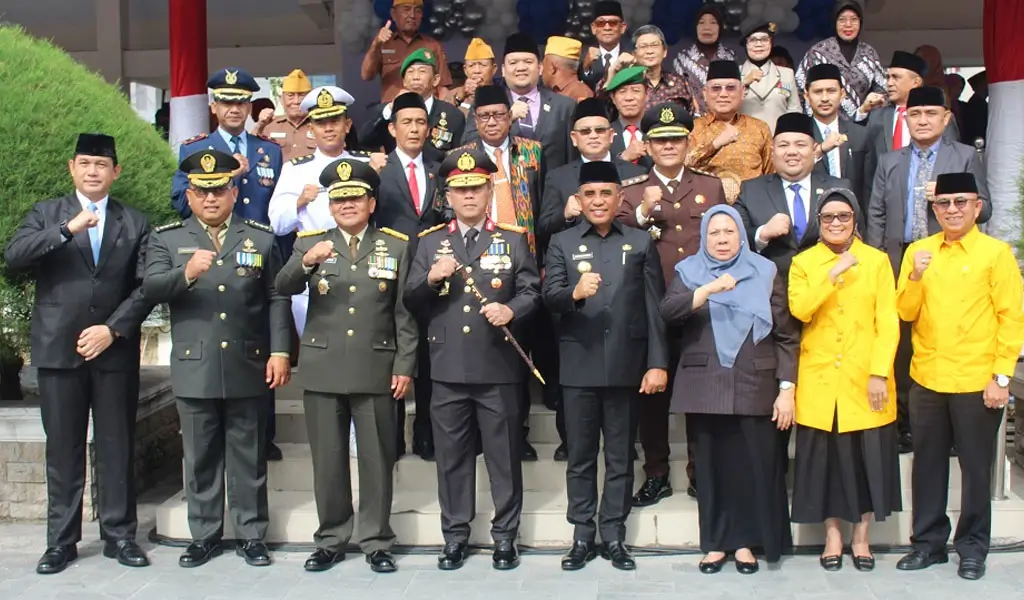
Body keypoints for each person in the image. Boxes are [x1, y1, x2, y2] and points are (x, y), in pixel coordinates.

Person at [5, 133, 153, 574]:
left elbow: (146, 286)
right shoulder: (48, 213)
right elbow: (14, 257)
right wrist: (68, 229)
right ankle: (60, 541)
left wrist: (112, 329)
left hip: (113, 351)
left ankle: (120, 536)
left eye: (101, 165)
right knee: (63, 448)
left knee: (116, 445)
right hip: (58, 350)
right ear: (72, 168)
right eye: (85, 163)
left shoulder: (134, 221)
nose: (93, 171)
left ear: (115, 172)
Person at [143, 150, 291, 568]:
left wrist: (280, 350)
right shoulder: (167, 238)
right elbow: (151, 288)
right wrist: (186, 273)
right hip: (196, 363)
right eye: (202, 191)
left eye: (220, 189)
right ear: (189, 196)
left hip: (248, 360)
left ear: (234, 190)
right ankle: (204, 534)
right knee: (201, 454)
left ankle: (250, 534)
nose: (211, 198)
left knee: (248, 453)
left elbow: (277, 296)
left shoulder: (259, 237)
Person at [275, 158, 417, 573]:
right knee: (329, 460)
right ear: (330, 205)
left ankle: (376, 539)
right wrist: (305, 262)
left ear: (371, 203)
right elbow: (281, 287)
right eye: (339, 200)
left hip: (376, 365)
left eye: (355, 198)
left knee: (376, 458)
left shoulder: (395, 245)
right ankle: (331, 538)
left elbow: (404, 313)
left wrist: (405, 364)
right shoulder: (311, 242)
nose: (347, 206)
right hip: (323, 366)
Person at [404, 149, 541, 571]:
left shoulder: (513, 239)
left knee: (503, 457)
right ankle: (456, 535)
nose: (468, 196)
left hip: (496, 365)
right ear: (447, 195)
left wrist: (511, 311)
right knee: (453, 458)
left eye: (476, 188)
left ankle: (505, 537)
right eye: (460, 190)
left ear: (488, 191)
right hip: (446, 368)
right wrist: (431, 278)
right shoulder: (430, 243)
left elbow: (532, 291)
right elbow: (410, 299)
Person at [893, 172, 1024, 581]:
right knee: (928, 466)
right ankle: (928, 544)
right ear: (934, 209)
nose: (952, 209)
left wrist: (1001, 378)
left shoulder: (995, 253)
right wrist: (914, 275)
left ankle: (972, 547)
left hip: (976, 380)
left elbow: (1011, 318)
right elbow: (905, 312)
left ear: (977, 206)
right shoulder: (919, 250)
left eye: (961, 202)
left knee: (975, 468)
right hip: (928, 378)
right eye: (944, 203)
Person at [544, 160, 669, 572]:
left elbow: (654, 307)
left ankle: (613, 534)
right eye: (590, 195)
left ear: (620, 198)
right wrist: (574, 294)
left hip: (625, 366)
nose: (598, 201)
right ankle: (582, 534)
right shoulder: (561, 242)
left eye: (605, 194)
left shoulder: (639, 241)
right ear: (578, 200)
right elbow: (550, 297)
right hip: (578, 365)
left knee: (620, 457)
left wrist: (657, 362)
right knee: (580, 457)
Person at [663, 204, 797, 574]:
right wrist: (707, 289)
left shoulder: (765, 270)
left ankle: (745, 544)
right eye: (714, 234)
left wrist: (787, 387)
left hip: (756, 383)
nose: (722, 240)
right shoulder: (689, 271)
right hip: (705, 383)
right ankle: (715, 544)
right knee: (709, 467)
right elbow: (669, 313)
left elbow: (786, 335)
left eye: (729, 232)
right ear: (704, 237)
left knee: (752, 465)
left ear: (741, 235)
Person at [865, 86, 991, 452]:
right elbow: (876, 213)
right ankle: (906, 425)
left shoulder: (964, 156)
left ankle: (949, 428)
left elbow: (989, 207)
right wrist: (879, 263)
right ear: (905, 118)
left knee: (944, 333)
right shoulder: (890, 160)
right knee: (900, 342)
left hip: (947, 256)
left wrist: (951, 196)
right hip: (900, 256)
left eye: (930, 114)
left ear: (946, 118)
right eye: (915, 115)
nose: (922, 121)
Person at [617, 102, 727, 504]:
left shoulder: (710, 187)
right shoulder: (630, 192)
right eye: (660, 141)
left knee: (700, 393)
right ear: (647, 145)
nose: (668, 147)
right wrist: (646, 211)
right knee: (652, 396)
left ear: (687, 142)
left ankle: (700, 471)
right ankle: (657, 472)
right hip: (654, 306)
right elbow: (621, 237)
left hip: (700, 307)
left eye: (676, 139)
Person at [788, 188, 902, 573]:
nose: (836, 223)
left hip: (865, 378)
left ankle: (860, 537)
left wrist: (878, 373)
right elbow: (799, 309)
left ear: (855, 220)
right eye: (828, 217)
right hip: (820, 381)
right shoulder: (804, 262)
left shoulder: (877, 261)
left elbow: (888, 322)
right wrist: (832, 273)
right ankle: (833, 535)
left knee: (866, 460)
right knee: (826, 464)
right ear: (818, 223)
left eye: (844, 216)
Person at [534, 98, 645, 459]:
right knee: (571, 363)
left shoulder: (631, 170)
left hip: (623, 277)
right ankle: (571, 438)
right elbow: (542, 227)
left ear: (612, 135)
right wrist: (566, 214)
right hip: (573, 281)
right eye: (586, 131)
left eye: (600, 130)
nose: (594, 136)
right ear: (574, 137)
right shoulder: (559, 175)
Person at [450, 85, 546, 460]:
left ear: (512, 116)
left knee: (516, 353)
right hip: (473, 268)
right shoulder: (461, 157)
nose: (492, 122)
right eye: (485, 116)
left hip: (521, 264)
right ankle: (474, 435)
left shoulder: (533, 152)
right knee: (476, 352)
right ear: (475, 121)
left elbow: (542, 206)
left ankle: (515, 433)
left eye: (499, 114)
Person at [373, 92, 447, 460]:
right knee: (393, 357)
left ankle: (427, 436)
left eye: (421, 122)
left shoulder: (442, 165)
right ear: (392, 128)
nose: (415, 129)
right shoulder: (377, 169)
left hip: (433, 277)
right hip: (389, 274)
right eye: (407, 122)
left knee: (431, 360)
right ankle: (392, 439)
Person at [734, 112, 850, 277]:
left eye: (800, 144)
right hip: (771, 290)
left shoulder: (837, 188)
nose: (792, 151)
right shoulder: (751, 190)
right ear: (772, 151)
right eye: (783, 145)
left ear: (814, 149)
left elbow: (855, 239)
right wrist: (762, 234)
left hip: (828, 284)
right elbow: (735, 240)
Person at [172, 68, 284, 226]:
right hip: (215, 244)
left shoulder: (271, 150)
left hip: (262, 244)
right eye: (227, 103)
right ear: (213, 107)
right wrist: (226, 176)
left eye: (241, 103)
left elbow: (281, 205)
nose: (235, 110)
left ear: (249, 108)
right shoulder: (194, 149)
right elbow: (182, 204)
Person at [462, 33, 576, 171]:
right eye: (513, 63)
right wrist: (507, 119)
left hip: (551, 189)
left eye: (528, 62)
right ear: (503, 70)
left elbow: (573, 159)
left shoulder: (564, 106)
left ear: (540, 68)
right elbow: (467, 145)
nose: (521, 68)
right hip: (504, 186)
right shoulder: (486, 103)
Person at [686, 60, 774, 202]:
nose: (723, 94)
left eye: (730, 88)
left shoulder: (759, 128)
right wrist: (715, 144)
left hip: (752, 207)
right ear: (704, 93)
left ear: (743, 92)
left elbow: (772, 176)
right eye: (716, 88)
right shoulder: (693, 128)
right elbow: (682, 167)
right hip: (703, 208)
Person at [359, 48, 466, 164]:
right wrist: (391, 108)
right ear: (404, 82)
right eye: (410, 72)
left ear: (435, 80)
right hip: (397, 179)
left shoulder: (452, 115)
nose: (416, 77)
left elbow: (459, 158)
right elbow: (364, 140)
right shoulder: (387, 111)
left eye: (422, 71)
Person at [794, 0, 886, 121]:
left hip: (863, 127)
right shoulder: (818, 52)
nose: (848, 25)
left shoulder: (869, 53)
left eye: (854, 19)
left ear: (860, 22)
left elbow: (883, 90)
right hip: (824, 127)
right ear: (834, 22)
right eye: (842, 20)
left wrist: (872, 106)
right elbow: (799, 90)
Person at [803, 64, 872, 222]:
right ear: (807, 96)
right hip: (811, 221)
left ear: (842, 94)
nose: (825, 98)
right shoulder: (800, 135)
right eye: (818, 92)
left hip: (853, 220)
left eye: (831, 91)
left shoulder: (860, 134)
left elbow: (869, 188)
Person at [860, 51, 960, 157]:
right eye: (888, 77)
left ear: (916, 82)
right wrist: (863, 111)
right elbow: (864, 154)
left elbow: (951, 157)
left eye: (896, 77)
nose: (889, 83)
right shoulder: (877, 116)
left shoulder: (939, 117)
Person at [360, 0, 451, 104]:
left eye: (417, 11)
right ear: (394, 14)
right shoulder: (383, 44)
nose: (412, 15)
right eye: (406, 9)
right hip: (392, 112)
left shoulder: (433, 45)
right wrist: (376, 43)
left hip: (425, 114)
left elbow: (443, 87)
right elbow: (366, 75)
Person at [605, 25, 692, 112]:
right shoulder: (622, 80)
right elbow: (603, 107)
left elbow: (693, 113)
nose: (649, 51)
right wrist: (611, 71)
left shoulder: (679, 82)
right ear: (634, 53)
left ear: (665, 51)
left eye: (654, 46)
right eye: (643, 46)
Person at [672, 5, 736, 116]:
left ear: (720, 27)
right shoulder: (682, 58)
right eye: (701, 23)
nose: (707, 27)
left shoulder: (730, 57)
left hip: (725, 121)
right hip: (692, 123)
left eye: (713, 22)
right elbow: (676, 95)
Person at [739, 22, 801, 134]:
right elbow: (724, 110)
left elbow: (794, 112)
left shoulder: (786, 74)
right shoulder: (735, 74)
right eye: (753, 40)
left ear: (771, 43)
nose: (759, 44)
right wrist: (743, 83)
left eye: (764, 39)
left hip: (777, 143)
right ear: (745, 44)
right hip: (744, 144)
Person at [254, 69, 316, 162]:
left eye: (302, 95)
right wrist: (259, 125)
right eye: (290, 95)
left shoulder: (320, 125)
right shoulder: (270, 126)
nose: (296, 101)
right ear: (282, 100)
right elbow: (250, 150)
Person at [605, 66, 654, 169]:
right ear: (613, 98)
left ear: (647, 95)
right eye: (622, 92)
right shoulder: (603, 134)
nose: (629, 98)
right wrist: (623, 158)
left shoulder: (657, 131)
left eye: (636, 91)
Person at [579, 1, 631, 91]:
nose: (607, 28)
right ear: (593, 28)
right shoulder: (581, 55)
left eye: (613, 23)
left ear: (622, 28)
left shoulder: (632, 55)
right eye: (601, 23)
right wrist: (586, 67)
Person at [444, 38, 499, 116]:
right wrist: (461, 98)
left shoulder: (503, 93)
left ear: (494, 69)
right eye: (471, 65)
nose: (476, 71)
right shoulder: (454, 94)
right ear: (465, 70)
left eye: (483, 65)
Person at [542, 36, 593, 102]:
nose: (541, 71)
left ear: (552, 68)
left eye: (543, 65)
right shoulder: (553, 92)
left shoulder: (580, 94)